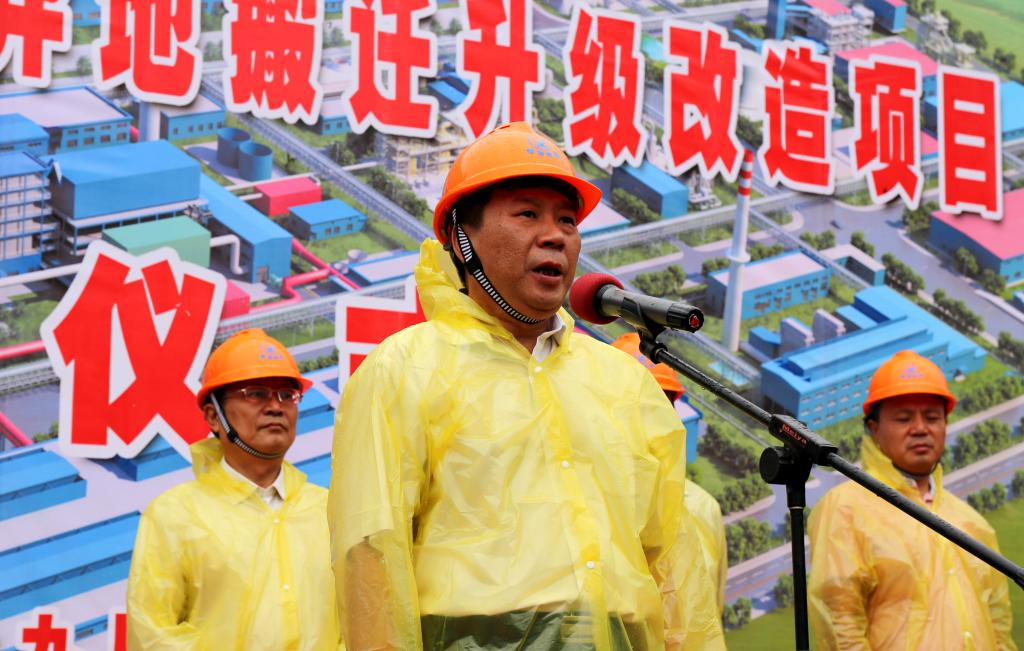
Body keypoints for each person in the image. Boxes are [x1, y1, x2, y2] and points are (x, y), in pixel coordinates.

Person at [328, 122, 724, 650]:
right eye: (527, 214)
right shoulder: (403, 371)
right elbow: (372, 557)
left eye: (567, 220)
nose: (555, 235)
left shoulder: (624, 382)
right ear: (461, 239)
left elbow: (673, 562)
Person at [126, 328, 341, 650]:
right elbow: (152, 635)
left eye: (287, 395)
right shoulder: (175, 516)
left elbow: (358, 622)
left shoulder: (328, 510)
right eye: (255, 393)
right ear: (214, 416)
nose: (275, 406)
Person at [807, 349, 1015, 650]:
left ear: (945, 425)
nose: (920, 429)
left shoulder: (972, 524)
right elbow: (840, 622)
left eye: (932, 417)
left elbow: (999, 627)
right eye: (904, 418)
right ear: (874, 429)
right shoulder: (845, 508)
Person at [610, 333, 728, 613]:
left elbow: (710, 612)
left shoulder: (702, 509)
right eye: (636, 407)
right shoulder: (574, 501)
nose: (649, 422)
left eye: (659, 406)